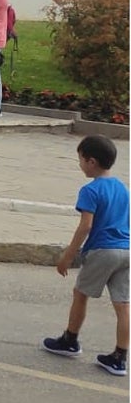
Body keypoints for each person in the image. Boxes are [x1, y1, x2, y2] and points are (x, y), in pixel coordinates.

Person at [41, 134, 130, 377]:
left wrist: (69, 255)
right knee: (123, 305)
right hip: (126, 250)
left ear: (91, 161)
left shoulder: (90, 190)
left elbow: (86, 226)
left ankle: (70, 340)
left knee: (80, 294)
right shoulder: (123, 188)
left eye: (80, 159)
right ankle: (120, 357)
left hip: (103, 250)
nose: (79, 164)